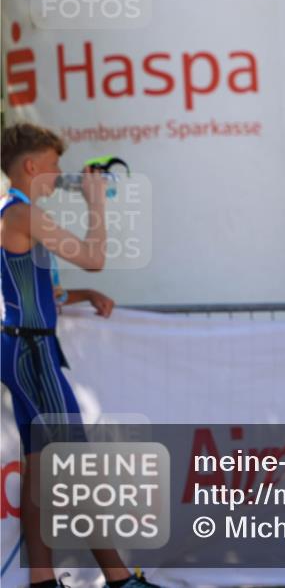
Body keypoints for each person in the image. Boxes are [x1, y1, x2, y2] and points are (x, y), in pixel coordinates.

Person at [0, 123, 157, 588]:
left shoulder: (13, 212)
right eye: (53, 166)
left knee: (39, 466)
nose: (60, 174)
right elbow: (93, 254)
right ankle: (119, 577)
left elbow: (34, 290)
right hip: (33, 352)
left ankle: (43, 579)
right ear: (31, 167)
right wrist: (94, 203)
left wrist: (83, 293)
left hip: (26, 345)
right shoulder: (22, 214)